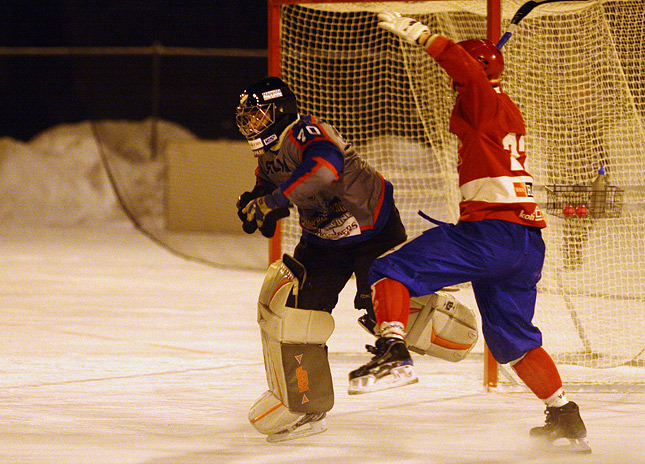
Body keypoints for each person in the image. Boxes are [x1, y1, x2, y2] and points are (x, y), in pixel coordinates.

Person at [348, 12, 590, 453]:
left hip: (491, 234)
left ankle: (392, 351)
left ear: (476, 77)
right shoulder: (505, 108)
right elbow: (472, 77)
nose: (453, 89)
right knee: (512, 341)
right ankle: (564, 416)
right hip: (525, 243)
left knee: (389, 269)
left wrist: (424, 36)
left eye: (460, 82)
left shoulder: (483, 99)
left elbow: (464, 70)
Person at [235, 76, 408, 442]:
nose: (252, 126)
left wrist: (275, 200)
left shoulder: (308, 132)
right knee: (297, 317)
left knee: (381, 308)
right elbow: (268, 183)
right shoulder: (267, 154)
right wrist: (257, 202)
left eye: (258, 116)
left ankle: (435, 322)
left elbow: (323, 170)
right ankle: (307, 405)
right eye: (247, 119)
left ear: (279, 110)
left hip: (371, 229)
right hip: (324, 239)